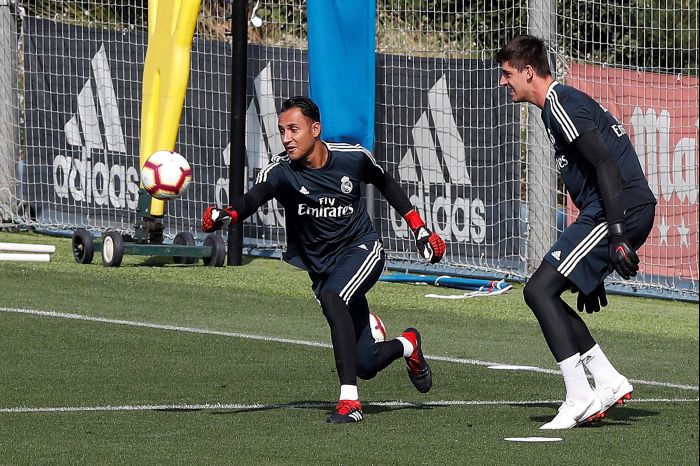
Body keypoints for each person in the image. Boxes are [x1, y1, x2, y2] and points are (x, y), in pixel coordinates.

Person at [201, 96, 446, 424]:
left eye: (293, 129)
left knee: (334, 298)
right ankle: (408, 345)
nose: (286, 138)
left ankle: (349, 401)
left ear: (315, 129)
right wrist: (228, 214)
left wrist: (419, 229)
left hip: (362, 249)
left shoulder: (352, 158)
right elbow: (255, 196)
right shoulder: (282, 172)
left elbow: (386, 182)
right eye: (282, 131)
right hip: (323, 268)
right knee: (365, 363)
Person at [495, 35, 657, 430]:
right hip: (609, 211)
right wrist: (591, 269)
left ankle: (578, 394)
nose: (503, 82)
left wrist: (616, 234)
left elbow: (605, 164)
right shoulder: (557, 107)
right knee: (547, 291)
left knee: (537, 290)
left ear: (528, 72)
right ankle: (606, 380)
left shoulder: (560, 102)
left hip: (617, 209)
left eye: (507, 73)